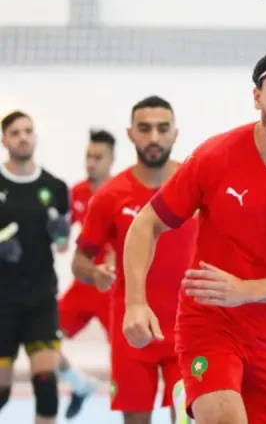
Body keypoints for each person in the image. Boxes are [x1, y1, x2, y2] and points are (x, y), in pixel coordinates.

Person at [121, 45, 266, 424]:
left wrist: (247, 291)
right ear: (257, 97)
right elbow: (146, 223)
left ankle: (189, 402)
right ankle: (198, 396)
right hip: (210, 324)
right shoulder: (216, 156)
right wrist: (136, 301)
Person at [71, 97, 198, 424]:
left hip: (191, 327)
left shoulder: (196, 184)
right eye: (144, 128)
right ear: (130, 134)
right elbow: (79, 262)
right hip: (132, 328)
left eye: (162, 128)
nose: (153, 137)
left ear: (175, 133)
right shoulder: (110, 195)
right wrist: (94, 271)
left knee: (187, 418)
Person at [0, 111, 71, 424]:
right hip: (2, 301)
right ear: (4, 140)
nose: (23, 137)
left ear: (36, 137)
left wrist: (60, 232)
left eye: (28, 131)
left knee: (46, 385)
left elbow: (61, 245)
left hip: (41, 298)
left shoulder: (54, 186)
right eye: (15, 132)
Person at [57, 129, 116, 418]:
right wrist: (55, 234)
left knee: (126, 359)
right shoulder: (76, 193)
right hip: (83, 286)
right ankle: (79, 384)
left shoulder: (121, 191)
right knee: (42, 340)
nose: (91, 163)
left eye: (97, 157)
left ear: (111, 159)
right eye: (88, 156)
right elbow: (62, 244)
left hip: (112, 291)